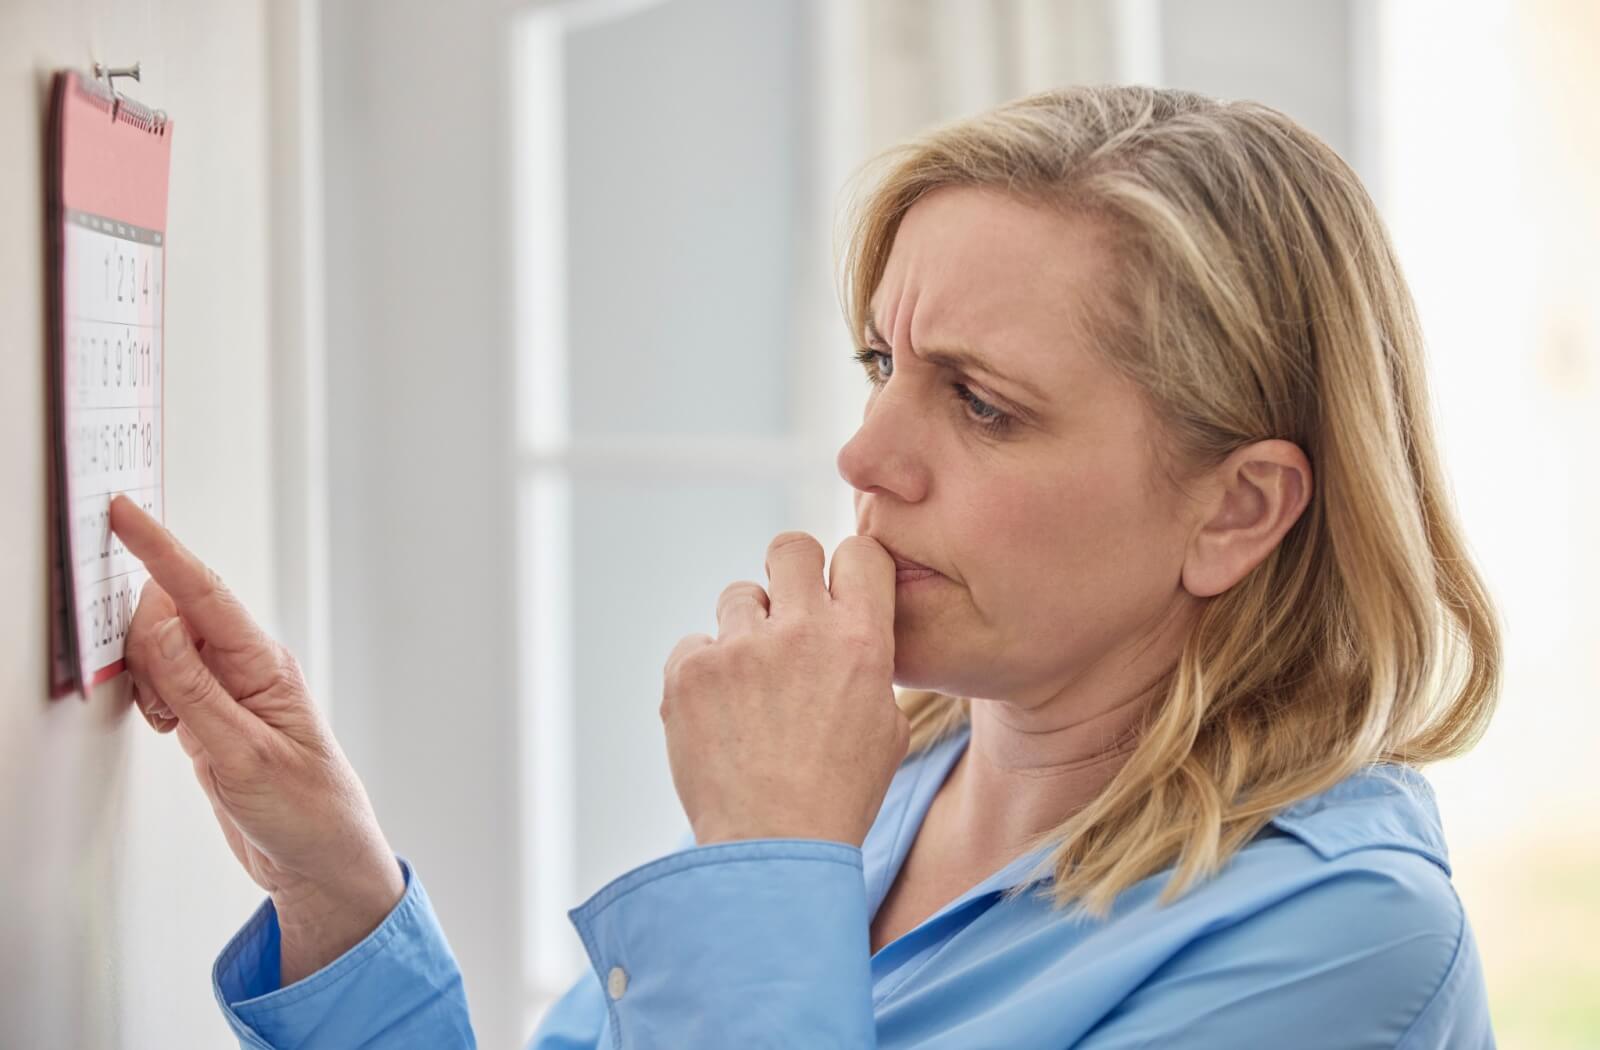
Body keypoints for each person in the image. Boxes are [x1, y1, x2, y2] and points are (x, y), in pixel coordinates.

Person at [112, 85, 1500, 1048]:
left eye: (983, 403)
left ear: (1236, 510)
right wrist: (338, 893)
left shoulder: (1346, 943)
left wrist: (772, 866)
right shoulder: (886, 774)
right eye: (882, 365)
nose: (864, 454)